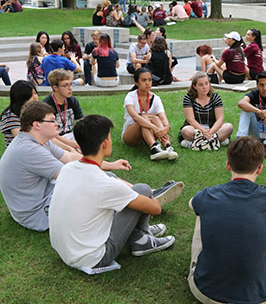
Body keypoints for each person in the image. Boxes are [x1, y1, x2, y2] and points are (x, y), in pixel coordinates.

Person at [49, 115, 180, 271]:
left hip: (67, 250)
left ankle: (136, 232)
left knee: (112, 177)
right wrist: (139, 197)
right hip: (92, 257)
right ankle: (141, 239)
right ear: (105, 144)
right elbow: (155, 208)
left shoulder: (68, 168)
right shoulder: (104, 184)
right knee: (142, 190)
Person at [0, 101, 130, 232]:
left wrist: (111, 165)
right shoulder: (29, 150)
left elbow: (70, 158)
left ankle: (136, 196)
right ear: (37, 125)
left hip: (44, 195)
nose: (57, 124)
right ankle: (135, 202)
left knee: (102, 178)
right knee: (93, 187)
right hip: (36, 213)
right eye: (52, 121)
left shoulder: (37, 140)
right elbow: (72, 177)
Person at [188, 136, 266, 304]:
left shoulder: (208, 195)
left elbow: (192, 203)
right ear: (260, 168)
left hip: (205, 292)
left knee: (200, 214)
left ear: (228, 165)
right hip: (257, 297)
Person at [122, 68, 178, 161]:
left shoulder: (156, 98)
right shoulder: (130, 96)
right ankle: (154, 148)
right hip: (131, 135)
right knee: (144, 119)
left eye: (150, 80)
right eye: (144, 80)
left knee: (155, 118)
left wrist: (166, 127)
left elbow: (163, 116)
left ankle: (168, 147)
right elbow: (135, 117)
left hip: (149, 133)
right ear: (136, 82)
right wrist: (154, 128)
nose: (147, 83)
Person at [179, 72, 233, 150]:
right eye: (201, 85)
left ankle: (197, 143)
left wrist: (210, 132)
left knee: (229, 127)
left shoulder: (215, 97)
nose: (205, 87)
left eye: (206, 83)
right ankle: (215, 141)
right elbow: (190, 119)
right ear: (194, 86)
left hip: (212, 128)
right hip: (195, 129)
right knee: (185, 131)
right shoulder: (188, 98)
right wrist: (203, 131)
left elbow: (220, 119)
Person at [42, 69, 84, 149]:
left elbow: (81, 121)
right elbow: (50, 135)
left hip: (70, 135)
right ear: (55, 87)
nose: (70, 88)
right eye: (65, 86)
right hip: (54, 139)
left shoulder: (72, 100)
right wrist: (72, 144)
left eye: (71, 84)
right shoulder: (47, 105)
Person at [0, 80, 38, 147]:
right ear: (21, 98)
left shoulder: (33, 112)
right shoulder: (11, 116)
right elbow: (22, 140)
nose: (35, 98)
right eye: (31, 95)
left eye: (35, 93)